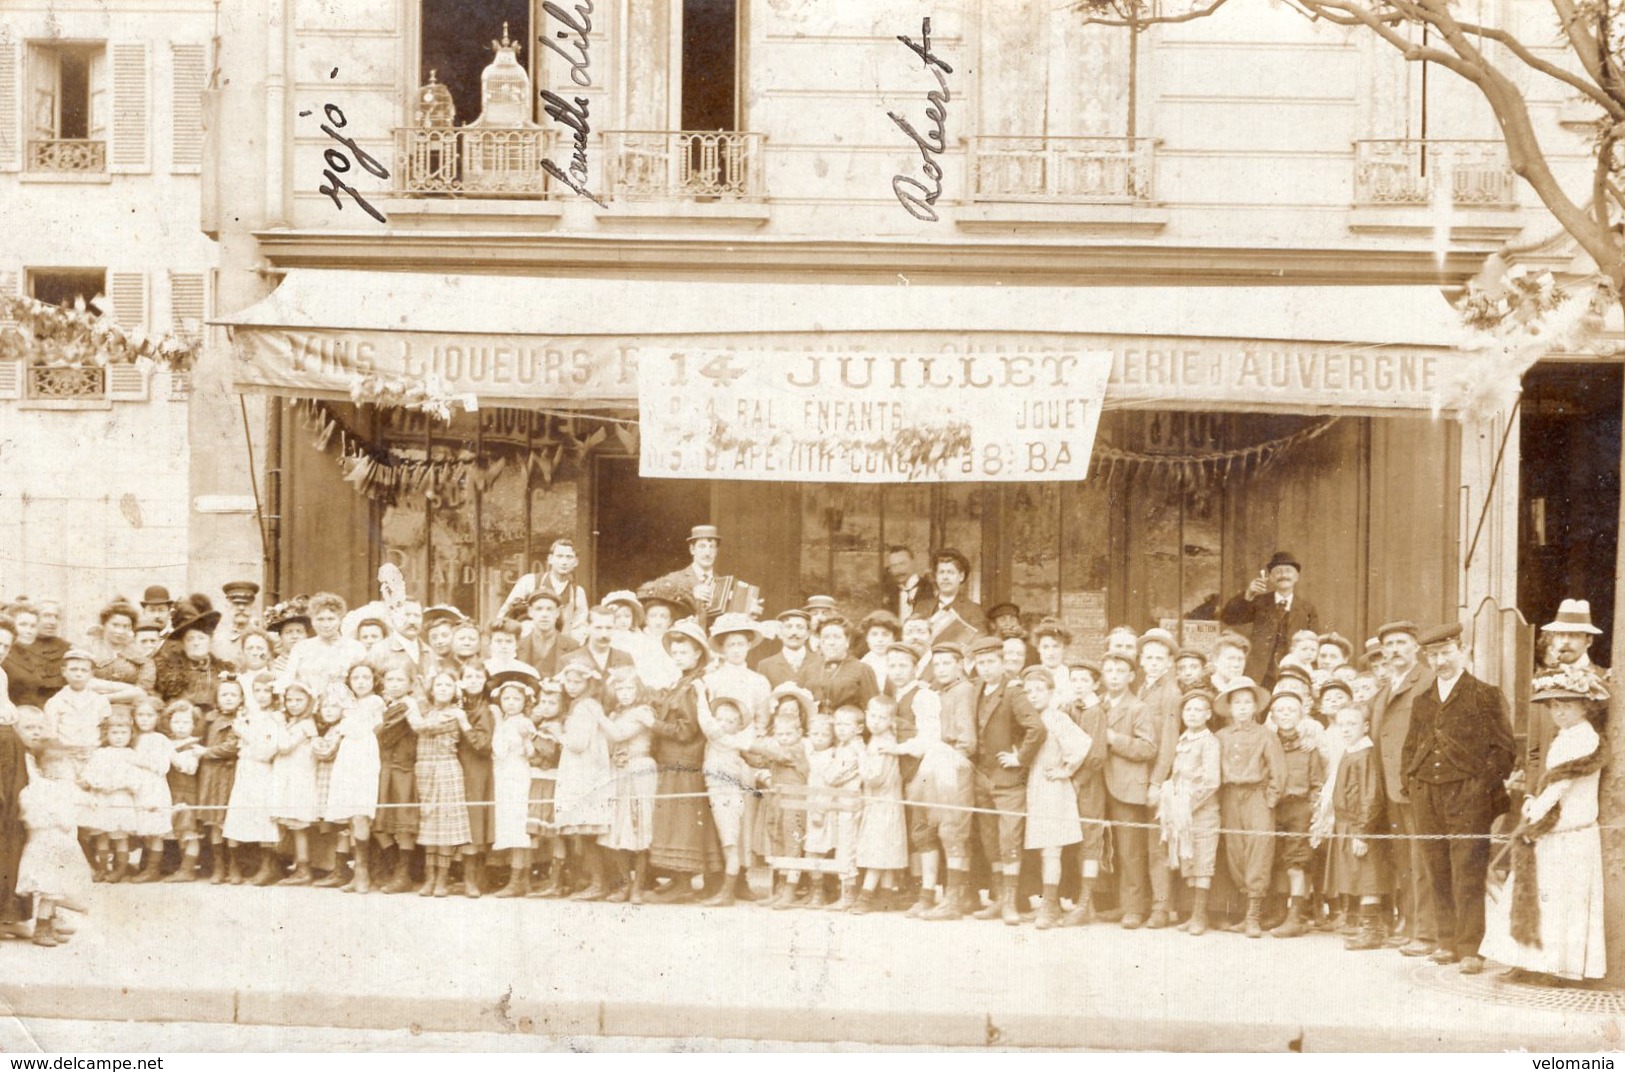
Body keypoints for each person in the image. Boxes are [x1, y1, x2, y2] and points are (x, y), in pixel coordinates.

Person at [1402, 622, 1515, 976]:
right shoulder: (1422, 700)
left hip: (1468, 795)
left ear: (1462, 651)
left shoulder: (1485, 694)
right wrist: (1412, 783)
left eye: (1446, 653)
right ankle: (1446, 941)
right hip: (1427, 794)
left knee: (1467, 870)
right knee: (1436, 867)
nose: (1440, 661)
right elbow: (1410, 747)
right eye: (1433, 655)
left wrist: (1481, 788)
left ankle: (1471, 948)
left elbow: (1505, 749)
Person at [1481, 681, 1608, 985]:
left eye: (1566, 705)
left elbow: (1563, 782)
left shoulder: (1587, 738)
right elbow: (1546, 777)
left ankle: (1555, 966)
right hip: (1547, 827)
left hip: (1570, 829)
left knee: (1560, 902)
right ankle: (1523, 959)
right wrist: (1529, 799)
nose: (1559, 712)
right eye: (1554, 706)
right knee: (1531, 895)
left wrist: (1536, 809)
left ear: (1585, 706)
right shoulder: (1563, 735)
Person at [1370, 619, 1437, 957]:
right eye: (1389, 644)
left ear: (1416, 647)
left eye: (1401, 643)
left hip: (1415, 784)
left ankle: (1426, 933)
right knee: (1404, 859)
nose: (1394, 649)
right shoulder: (1385, 687)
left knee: (1422, 858)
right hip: (1390, 786)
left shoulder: (1427, 681)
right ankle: (1410, 924)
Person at [968, 635, 1043, 925]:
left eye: (991, 662)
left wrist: (1019, 759)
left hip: (1008, 779)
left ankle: (1011, 903)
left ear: (1002, 662)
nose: (986, 668)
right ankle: (999, 898)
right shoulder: (975, 689)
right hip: (981, 777)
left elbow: (1036, 728)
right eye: (981, 662)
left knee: (1009, 838)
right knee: (989, 840)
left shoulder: (1013, 692)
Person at [646, 619, 723, 902]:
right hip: (671, 760)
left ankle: (684, 882)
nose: (678, 657)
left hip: (684, 761)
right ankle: (678, 878)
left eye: (683, 652)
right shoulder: (681, 682)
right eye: (675, 652)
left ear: (697, 654)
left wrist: (653, 724)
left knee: (682, 821)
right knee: (673, 820)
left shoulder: (694, 686)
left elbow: (686, 730)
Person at [1214, 676, 1285, 938]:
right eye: (1237, 703)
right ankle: (1246, 913)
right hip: (1230, 797)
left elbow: (1279, 771)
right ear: (1230, 708)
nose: (1243, 707)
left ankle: (1253, 915)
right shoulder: (1220, 736)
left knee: (1259, 849)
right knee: (1236, 852)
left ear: (1255, 707)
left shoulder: (1266, 736)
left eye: (1247, 702)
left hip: (1257, 796)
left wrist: (1269, 800)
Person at [14, 707, 91, 948]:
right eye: (29, 728)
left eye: (40, 727)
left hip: (61, 846)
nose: (66, 770)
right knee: (48, 887)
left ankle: (48, 920)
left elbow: (88, 802)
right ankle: (41, 926)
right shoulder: (36, 787)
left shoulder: (62, 786)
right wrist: (56, 818)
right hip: (46, 845)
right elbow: (32, 812)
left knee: (57, 887)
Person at [1319, 704, 1391, 952]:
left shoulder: (1365, 755)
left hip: (1360, 826)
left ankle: (1371, 930)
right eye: (1342, 724)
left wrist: (1362, 832)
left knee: (1367, 878)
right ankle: (1369, 926)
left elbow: (1371, 795)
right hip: (1346, 824)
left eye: (1352, 724)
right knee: (1358, 876)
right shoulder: (1350, 752)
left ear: (1366, 726)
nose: (1346, 729)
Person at [1020, 667, 1086, 929]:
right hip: (1032, 787)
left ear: (1051, 692)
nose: (1034, 695)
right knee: (1039, 847)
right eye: (1028, 691)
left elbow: (1081, 745)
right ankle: (1050, 903)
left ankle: (1048, 907)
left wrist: (1066, 770)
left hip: (1051, 788)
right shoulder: (1026, 719)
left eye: (1039, 690)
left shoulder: (1057, 718)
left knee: (1051, 849)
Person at [1099, 651, 1157, 928]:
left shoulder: (1138, 707)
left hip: (1127, 787)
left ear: (1131, 676)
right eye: (1109, 670)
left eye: (1120, 671)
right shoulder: (1097, 704)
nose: (1113, 676)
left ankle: (1135, 907)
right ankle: (1119, 903)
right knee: (1106, 846)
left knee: (1130, 849)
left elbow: (1148, 748)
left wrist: (1114, 739)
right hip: (1100, 783)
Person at [1159, 689, 1222, 936]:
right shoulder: (1182, 740)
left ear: (1207, 714)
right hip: (1181, 812)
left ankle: (1199, 915)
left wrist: (1186, 804)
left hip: (1202, 811)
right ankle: (1194, 914)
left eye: (1199, 710)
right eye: (1189, 710)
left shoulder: (1210, 742)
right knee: (1190, 860)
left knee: (1203, 863)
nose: (1193, 714)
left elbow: (1211, 781)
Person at [1526, 598, 1609, 781]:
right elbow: (1534, 751)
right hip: (1546, 792)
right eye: (1560, 634)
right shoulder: (1543, 681)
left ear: (1589, 640)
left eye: (1574, 635)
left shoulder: (1604, 681)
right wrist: (1531, 794)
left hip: (1586, 793)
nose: (1565, 641)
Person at [1264, 689, 1324, 938]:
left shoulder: (1309, 747)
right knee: (1277, 859)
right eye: (1280, 710)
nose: (1286, 714)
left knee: (1296, 861)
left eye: (1291, 710)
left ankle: (1295, 915)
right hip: (1274, 807)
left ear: (1301, 715)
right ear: (1273, 716)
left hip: (1299, 807)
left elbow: (1317, 783)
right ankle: (1279, 911)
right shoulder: (1266, 742)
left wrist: (1313, 811)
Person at [553, 656, 614, 901]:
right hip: (584, 770)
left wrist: (558, 733)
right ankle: (593, 880)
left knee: (588, 831)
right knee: (585, 831)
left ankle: (598, 883)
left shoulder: (585, 707)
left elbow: (578, 744)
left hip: (585, 772)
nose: (571, 686)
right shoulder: (585, 705)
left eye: (577, 681)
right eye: (568, 681)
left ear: (588, 682)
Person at [410, 670, 474, 899]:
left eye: (449, 685)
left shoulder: (457, 713)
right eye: (439, 685)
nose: (444, 689)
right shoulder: (423, 711)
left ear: (456, 690)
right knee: (429, 822)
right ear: (431, 689)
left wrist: (458, 722)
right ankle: (429, 877)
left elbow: (468, 734)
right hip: (425, 767)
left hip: (447, 767)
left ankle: (441, 879)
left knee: (445, 825)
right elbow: (419, 724)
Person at [1218, 551, 1320, 688]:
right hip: (1260, 675)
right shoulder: (1259, 602)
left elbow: (1314, 644)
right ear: (1271, 578)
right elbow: (1229, 618)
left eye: (1288, 571)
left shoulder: (1307, 609)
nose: (1283, 575)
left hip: (1292, 674)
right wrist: (1248, 595)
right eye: (1278, 572)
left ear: (1296, 577)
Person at [599, 668, 657, 903]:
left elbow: (619, 734)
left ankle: (639, 888)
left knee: (640, 827)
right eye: (619, 688)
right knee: (618, 829)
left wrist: (596, 716)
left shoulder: (643, 712)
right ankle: (626, 883)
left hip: (640, 770)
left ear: (638, 689)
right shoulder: (614, 714)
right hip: (619, 771)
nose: (624, 693)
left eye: (629, 688)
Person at [1137, 627, 1183, 928]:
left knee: (1157, 846)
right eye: (1148, 657)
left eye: (1159, 658)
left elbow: (1168, 742)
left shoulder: (1171, 693)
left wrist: (1156, 782)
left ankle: (1161, 908)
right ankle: (1141, 904)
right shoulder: (1142, 689)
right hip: (1135, 776)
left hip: (1157, 778)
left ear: (1169, 662)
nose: (1153, 662)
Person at [696, 695, 759, 908]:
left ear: (739, 726)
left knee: (730, 846)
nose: (723, 724)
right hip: (718, 793)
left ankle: (727, 893)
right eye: (720, 719)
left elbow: (705, 721)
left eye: (730, 721)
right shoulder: (722, 740)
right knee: (727, 845)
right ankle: (726, 890)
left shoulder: (724, 739)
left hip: (726, 795)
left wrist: (700, 691)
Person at [326, 664, 383, 894]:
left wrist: (349, 726)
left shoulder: (375, 701)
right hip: (347, 756)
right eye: (356, 677)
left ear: (373, 680)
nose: (360, 681)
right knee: (350, 815)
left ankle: (363, 872)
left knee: (361, 814)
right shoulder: (347, 704)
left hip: (365, 755)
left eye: (365, 677)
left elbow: (370, 729)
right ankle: (357, 872)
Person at [222, 672, 282, 886]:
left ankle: (268, 866)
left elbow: (267, 752)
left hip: (265, 770)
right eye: (257, 690)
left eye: (267, 690)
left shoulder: (276, 718)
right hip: (245, 767)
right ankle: (235, 865)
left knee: (264, 817)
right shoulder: (247, 714)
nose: (262, 695)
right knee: (238, 814)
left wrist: (246, 734)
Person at [1062, 660, 1110, 927]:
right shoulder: (1070, 708)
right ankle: (1087, 906)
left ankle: (1084, 902)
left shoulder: (1095, 712)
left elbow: (1096, 755)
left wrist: (1078, 781)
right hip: (1071, 783)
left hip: (1088, 785)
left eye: (1084, 680)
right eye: (1074, 679)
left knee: (1090, 841)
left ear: (1095, 684)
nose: (1078, 685)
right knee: (1077, 841)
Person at [851, 694, 908, 913]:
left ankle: (865, 897)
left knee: (879, 848)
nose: (875, 721)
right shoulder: (877, 740)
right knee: (887, 848)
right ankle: (886, 896)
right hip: (882, 803)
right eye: (872, 716)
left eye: (882, 718)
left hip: (883, 803)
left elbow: (874, 778)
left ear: (891, 721)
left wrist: (860, 755)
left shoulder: (883, 744)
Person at [488, 669, 541, 898]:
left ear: (525, 701)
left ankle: (518, 879)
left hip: (516, 775)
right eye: (506, 698)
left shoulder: (522, 723)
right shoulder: (508, 721)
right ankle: (523, 879)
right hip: (504, 776)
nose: (510, 703)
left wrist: (526, 739)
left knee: (518, 825)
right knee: (511, 823)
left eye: (516, 698)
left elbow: (505, 751)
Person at [646, 526, 760, 629]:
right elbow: (647, 593)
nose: (707, 552)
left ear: (716, 551)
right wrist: (690, 594)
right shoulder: (675, 579)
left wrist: (748, 615)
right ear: (692, 549)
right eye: (702, 546)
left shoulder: (726, 586)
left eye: (712, 547)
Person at [270, 679, 320, 885]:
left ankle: (304, 869)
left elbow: (284, 746)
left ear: (308, 701)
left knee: (298, 825)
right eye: (289, 700)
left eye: (299, 700)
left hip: (299, 779)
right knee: (290, 824)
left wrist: (280, 724)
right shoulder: (293, 722)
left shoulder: (307, 724)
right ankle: (295, 864)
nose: (293, 704)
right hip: (287, 777)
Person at [498, 538, 591, 639]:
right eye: (559, 556)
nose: (564, 562)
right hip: (528, 645)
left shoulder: (577, 592)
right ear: (550, 559)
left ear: (576, 562)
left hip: (559, 648)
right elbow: (505, 614)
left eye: (569, 557)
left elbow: (581, 627)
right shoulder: (530, 581)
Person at [279, 593, 367, 698]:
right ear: (312, 621)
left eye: (331, 619)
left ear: (340, 620)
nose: (325, 625)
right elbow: (289, 679)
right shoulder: (301, 648)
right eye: (320, 619)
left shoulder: (355, 648)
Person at [126, 699, 175, 883]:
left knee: (154, 830)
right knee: (143, 829)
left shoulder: (161, 740)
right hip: (137, 788)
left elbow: (163, 767)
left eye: (149, 715)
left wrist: (139, 761)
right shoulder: (132, 738)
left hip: (154, 788)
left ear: (157, 717)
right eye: (140, 715)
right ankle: (144, 865)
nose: (144, 719)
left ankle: (153, 869)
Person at [161, 701, 205, 882]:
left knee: (189, 832)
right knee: (178, 831)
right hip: (171, 791)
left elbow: (189, 768)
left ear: (193, 725)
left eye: (185, 722)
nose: (180, 726)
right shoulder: (168, 742)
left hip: (187, 792)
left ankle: (188, 869)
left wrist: (172, 755)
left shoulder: (193, 746)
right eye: (176, 722)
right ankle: (183, 867)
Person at [808, 617, 879, 719]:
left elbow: (872, 710)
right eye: (826, 637)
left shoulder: (862, 669)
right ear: (821, 642)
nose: (831, 642)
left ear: (847, 641)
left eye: (837, 637)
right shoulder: (811, 669)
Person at [4, 603, 64, 710]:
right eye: (23, 625)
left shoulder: (28, 655)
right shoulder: (4, 656)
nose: (29, 631)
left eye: (33, 626)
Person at [516, 591, 578, 678]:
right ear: (530, 612)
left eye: (549, 609)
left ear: (557, 612)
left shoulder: (573, 647)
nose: (544, 614)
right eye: (539, 609)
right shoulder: (517, 647)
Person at [927, 549, 982, 644]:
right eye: (941, 572)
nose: (945, 577)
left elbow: (979, 644)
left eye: (950, 572)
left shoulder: (974, 610)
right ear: (935, 577)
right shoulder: (921, 607)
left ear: (961, 576)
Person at [757, 608, 822, 689]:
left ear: (808, 634)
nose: (794, 632)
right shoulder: (765, 665)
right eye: (788, 627)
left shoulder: (820, 662)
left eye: (800, 627)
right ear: (780, 633)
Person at [214, 580, 262, 665]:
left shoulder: (262, 638)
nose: (241, 608)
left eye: (246, 604)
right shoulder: (217, 640)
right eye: (236, 603)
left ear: (253, 607)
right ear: (227, 606)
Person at [886, 545, 935, 621]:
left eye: (902, 564)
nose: (898, 570)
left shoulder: (929, 588)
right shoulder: (891, 594)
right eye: (894, 566)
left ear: (913, 562)